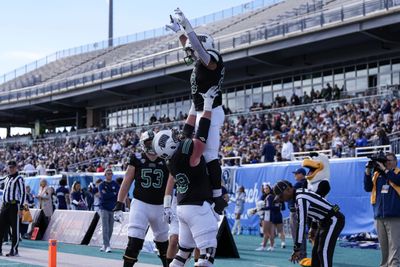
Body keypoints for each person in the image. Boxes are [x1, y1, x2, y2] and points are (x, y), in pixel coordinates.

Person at [154, 86, 226, 267]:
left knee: (183, 253)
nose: (177, 136)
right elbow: (202, 131)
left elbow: (187, 130)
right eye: (172, 137)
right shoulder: (187, 151)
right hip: (197, 207)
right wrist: (208, 105)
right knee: (207, 255)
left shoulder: (171, 160)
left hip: (183, 207)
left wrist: (194, 107)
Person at [167, 7, 226, 208]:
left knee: (209, 154)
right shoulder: (200, 63)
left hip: (212, 111)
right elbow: (191, 48)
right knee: (192, 151)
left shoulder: (213, 59)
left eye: (195, 46)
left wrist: (188, 26)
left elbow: (199, 50)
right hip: (201, 109)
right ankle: (202, 186)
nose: (190, 51)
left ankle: (217, 195)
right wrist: (179, 32)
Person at [113, 130, 170, 267]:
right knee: (135, 242)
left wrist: (169, 205)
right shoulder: (137, 158)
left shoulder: (166, 159)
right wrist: (119, 204)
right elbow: (127, 181)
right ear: (143, 144)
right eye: (148, 142)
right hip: (140, 204)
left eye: (152, 142)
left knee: (164, 244)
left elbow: (171, 183)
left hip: (160, 205)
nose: (150, 145)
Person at [273, 180, 345, 267]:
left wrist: (297, 248)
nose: (282, 200)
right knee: (316, 253)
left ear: (288, 189)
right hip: (325, 220)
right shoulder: (299, 193)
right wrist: (313, 227)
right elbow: (316, 208)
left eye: (281, 196)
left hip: (334, 220)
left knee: (323, 252)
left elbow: (301, 224)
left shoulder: (300, 198)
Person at [364, 152, 400, 267]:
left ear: (395, 162)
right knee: (384, 246)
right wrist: (368, 171)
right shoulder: (377, 175)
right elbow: (367, 187)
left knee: (394, 246)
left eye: (389, 160)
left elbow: (397, 180)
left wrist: (385, 169)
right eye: (385, 161)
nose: (387, 163)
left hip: (394, 215)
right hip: (379, 216)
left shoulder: (398, 173)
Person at [0, 160, 26, 257]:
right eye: (9, 167)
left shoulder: (19, 179)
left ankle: (14, 250)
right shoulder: (7, 177)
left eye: (12, 167)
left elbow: (23, 193)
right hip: (5, 205)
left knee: (15, 229)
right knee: (1, 227)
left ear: (16, 168)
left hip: (14, 206)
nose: (11, 169)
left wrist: (21, 208)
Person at [289, 168, 308, 260]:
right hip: (302, 211)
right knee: (300, 233)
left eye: (297, 173)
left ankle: (300, 254)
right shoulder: (307, 182)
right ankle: (301, 254)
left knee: (297, 234)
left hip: (296, 212)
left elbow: (290, 196)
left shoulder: (299, 183)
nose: (295, 175)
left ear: (302, 174)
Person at [99, 168, 119, 253]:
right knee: (105, 227)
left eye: (111, 173)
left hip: (113, 208)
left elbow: (117, 194)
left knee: (110, 228)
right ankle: (107, 245)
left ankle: (105, 244)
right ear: (105, 175)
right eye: (108, 173)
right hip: (104, 208)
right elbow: (104, 196)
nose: (110, 175)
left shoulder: (115, 184)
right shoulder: (101, 184)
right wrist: (113, 193)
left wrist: (110, 194)